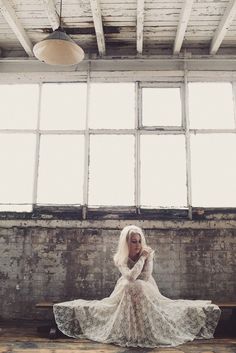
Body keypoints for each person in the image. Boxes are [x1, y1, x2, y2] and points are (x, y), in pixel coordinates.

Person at [53, 225, 221, 347]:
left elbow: (146, 276)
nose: (138, 245)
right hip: (125, 288)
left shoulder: (148, 253)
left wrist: (144, 258)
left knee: (137, 286)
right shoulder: (120, 257)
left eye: (139, 241)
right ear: (127, 243)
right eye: (134, 242)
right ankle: (130, 331)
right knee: (129, 286)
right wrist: (141, 259)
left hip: (146, 287)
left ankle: (142, 331)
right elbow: (130, 276)